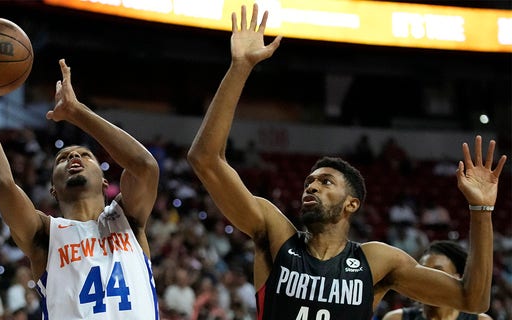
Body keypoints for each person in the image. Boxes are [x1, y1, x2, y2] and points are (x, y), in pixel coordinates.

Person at [186, 4, 507, 320]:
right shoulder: (275, 234)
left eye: (326, 182)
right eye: (309, 181)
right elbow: (205, 159)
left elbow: (473, 298)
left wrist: (481, 210)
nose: (311, 185)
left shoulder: (376, 261)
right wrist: (240, 67)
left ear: (351, 204)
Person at [0, 51, 160, 319]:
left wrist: (77, 112)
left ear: (105, 181)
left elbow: (145, 167)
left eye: (85, 155)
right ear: (53, 189)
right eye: (62, 158)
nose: (73, 156)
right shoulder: (45, 234)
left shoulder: (128, 219)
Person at [382, 240, 493, 320]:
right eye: (423, 271)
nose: (428, 278)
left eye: (438, 271)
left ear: (458, 278)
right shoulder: (395, 318)